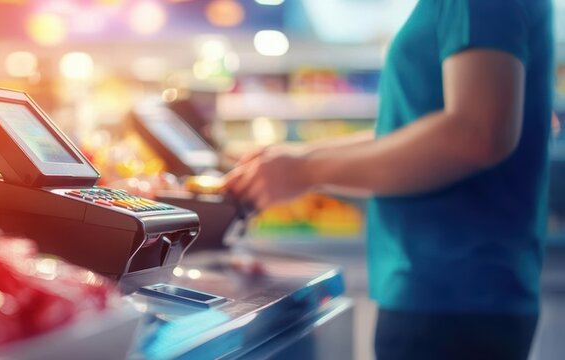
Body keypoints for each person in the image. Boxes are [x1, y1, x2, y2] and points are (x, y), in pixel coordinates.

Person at [225, 1, 553, 359]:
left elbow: (475, 134)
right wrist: (302, 159)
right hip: (456, 294)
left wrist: (307, 170)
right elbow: (412, 134)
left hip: (451, 296)